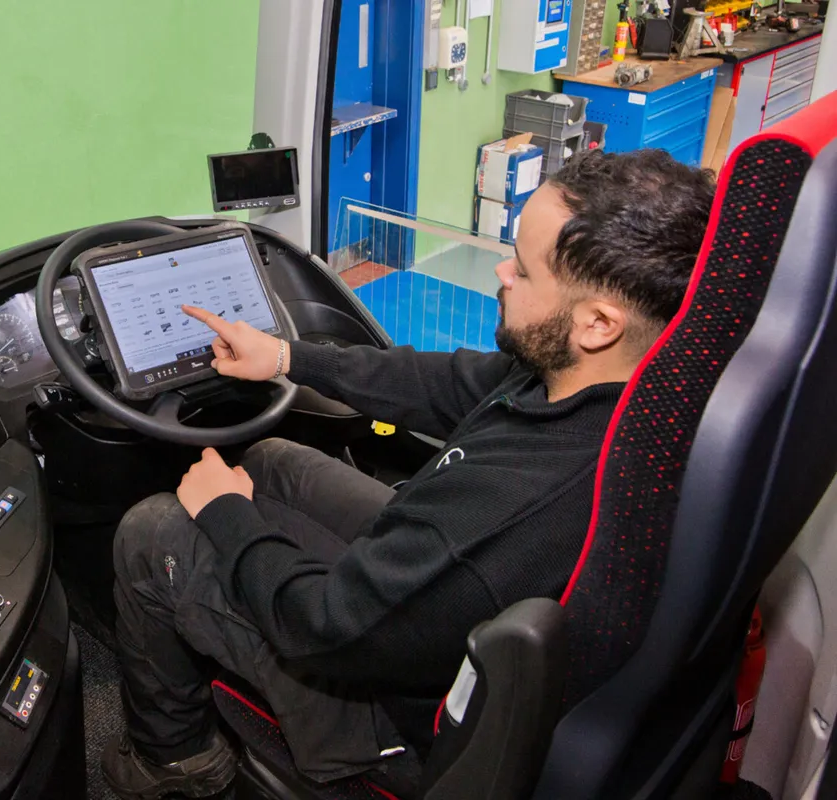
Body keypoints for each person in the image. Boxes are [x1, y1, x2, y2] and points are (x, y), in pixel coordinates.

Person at [102, 149, 717, 800]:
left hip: (393, 707)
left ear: (597, 323)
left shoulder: (511, 511)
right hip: (432, 598)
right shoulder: (613, 385)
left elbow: (323, 626)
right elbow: (449, 383)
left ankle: (176, 765)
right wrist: (285, 357)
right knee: (271, 459)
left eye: (523, 268)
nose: (501, 273)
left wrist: (227, 513)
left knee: (151, 532)